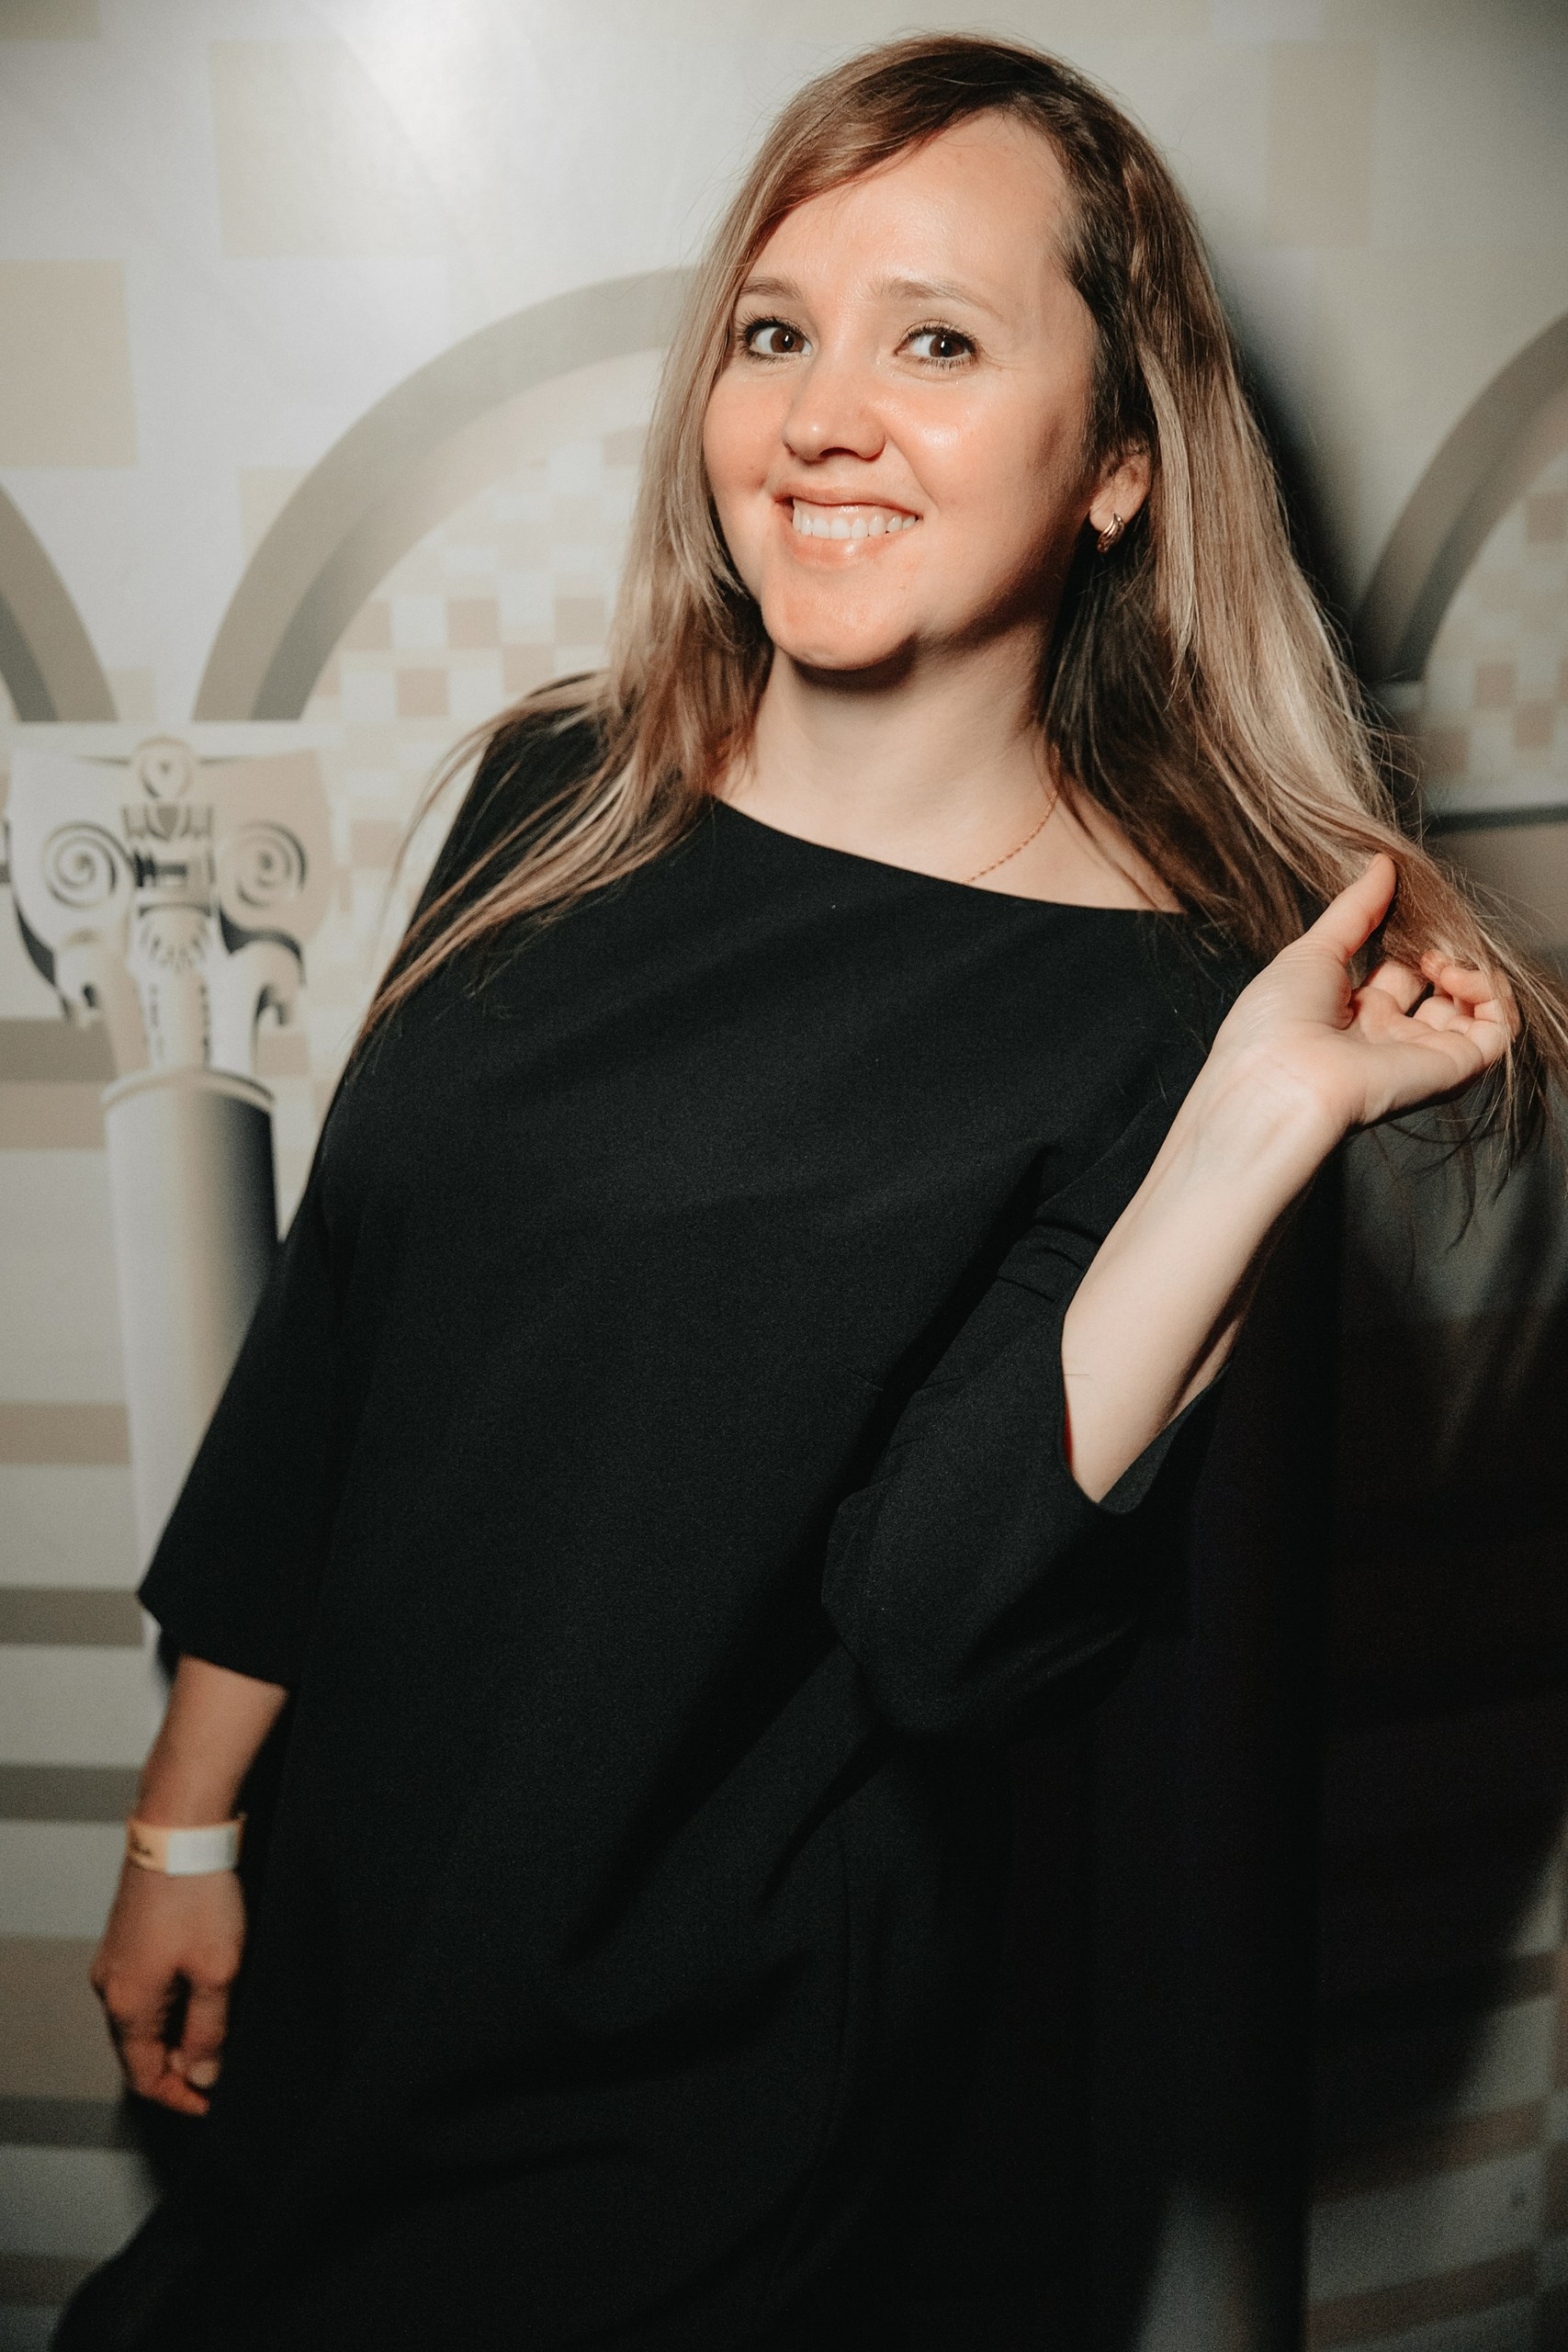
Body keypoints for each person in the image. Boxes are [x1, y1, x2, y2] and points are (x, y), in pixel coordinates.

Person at [66, 34, 1560, 2352]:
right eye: (775, 331)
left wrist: (1245, 1128)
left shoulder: (1172, 1007)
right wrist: (188, 1820)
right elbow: (343, 1324)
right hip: (353, 1948)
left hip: (699, 2080)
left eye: (935, 343)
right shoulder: (557, 790)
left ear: (1119, 464)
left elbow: (943, 1621)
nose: (820, 415)